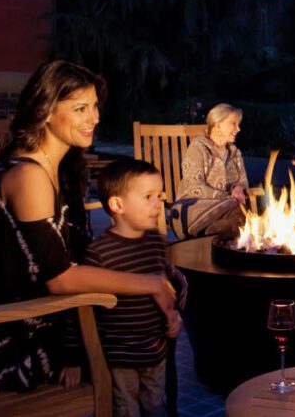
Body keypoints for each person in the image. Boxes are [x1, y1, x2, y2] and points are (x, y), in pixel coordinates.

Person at [0, 60, 179, 392]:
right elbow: (60, 279)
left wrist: (153, 272)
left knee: (156, 307)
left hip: (52, 321)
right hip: (15, 341)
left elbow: (81, 255)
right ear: (45, 111)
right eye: (80, 109)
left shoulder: (61, 167)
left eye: (94, 107)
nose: (93, 118)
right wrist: (149, 283)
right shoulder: (29, 175)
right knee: (141, 337)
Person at [72, 159, 184, 417]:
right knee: (125, 409)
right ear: (117, 204)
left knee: (156, 406)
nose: (158, 203)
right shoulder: (99, 253)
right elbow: (79, 307)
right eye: (148, 196)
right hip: (119, 357)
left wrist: (174, 314)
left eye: (160, 195)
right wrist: (73, 359)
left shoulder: (156, 243)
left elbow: (164, 288)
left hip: (155, 352)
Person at [173, 103, 249, 237]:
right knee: (238, 213)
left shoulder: (235, 153)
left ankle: (214, 236)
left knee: (237, 212)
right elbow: (193, 187)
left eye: (238, 124)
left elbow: (242, 181)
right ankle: (216, 236)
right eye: (233, 123)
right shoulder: (198, 148)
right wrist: (224, 196)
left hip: (228, 206)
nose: (238, 129)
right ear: (217, 124)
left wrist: (238, 188)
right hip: (194, 208)